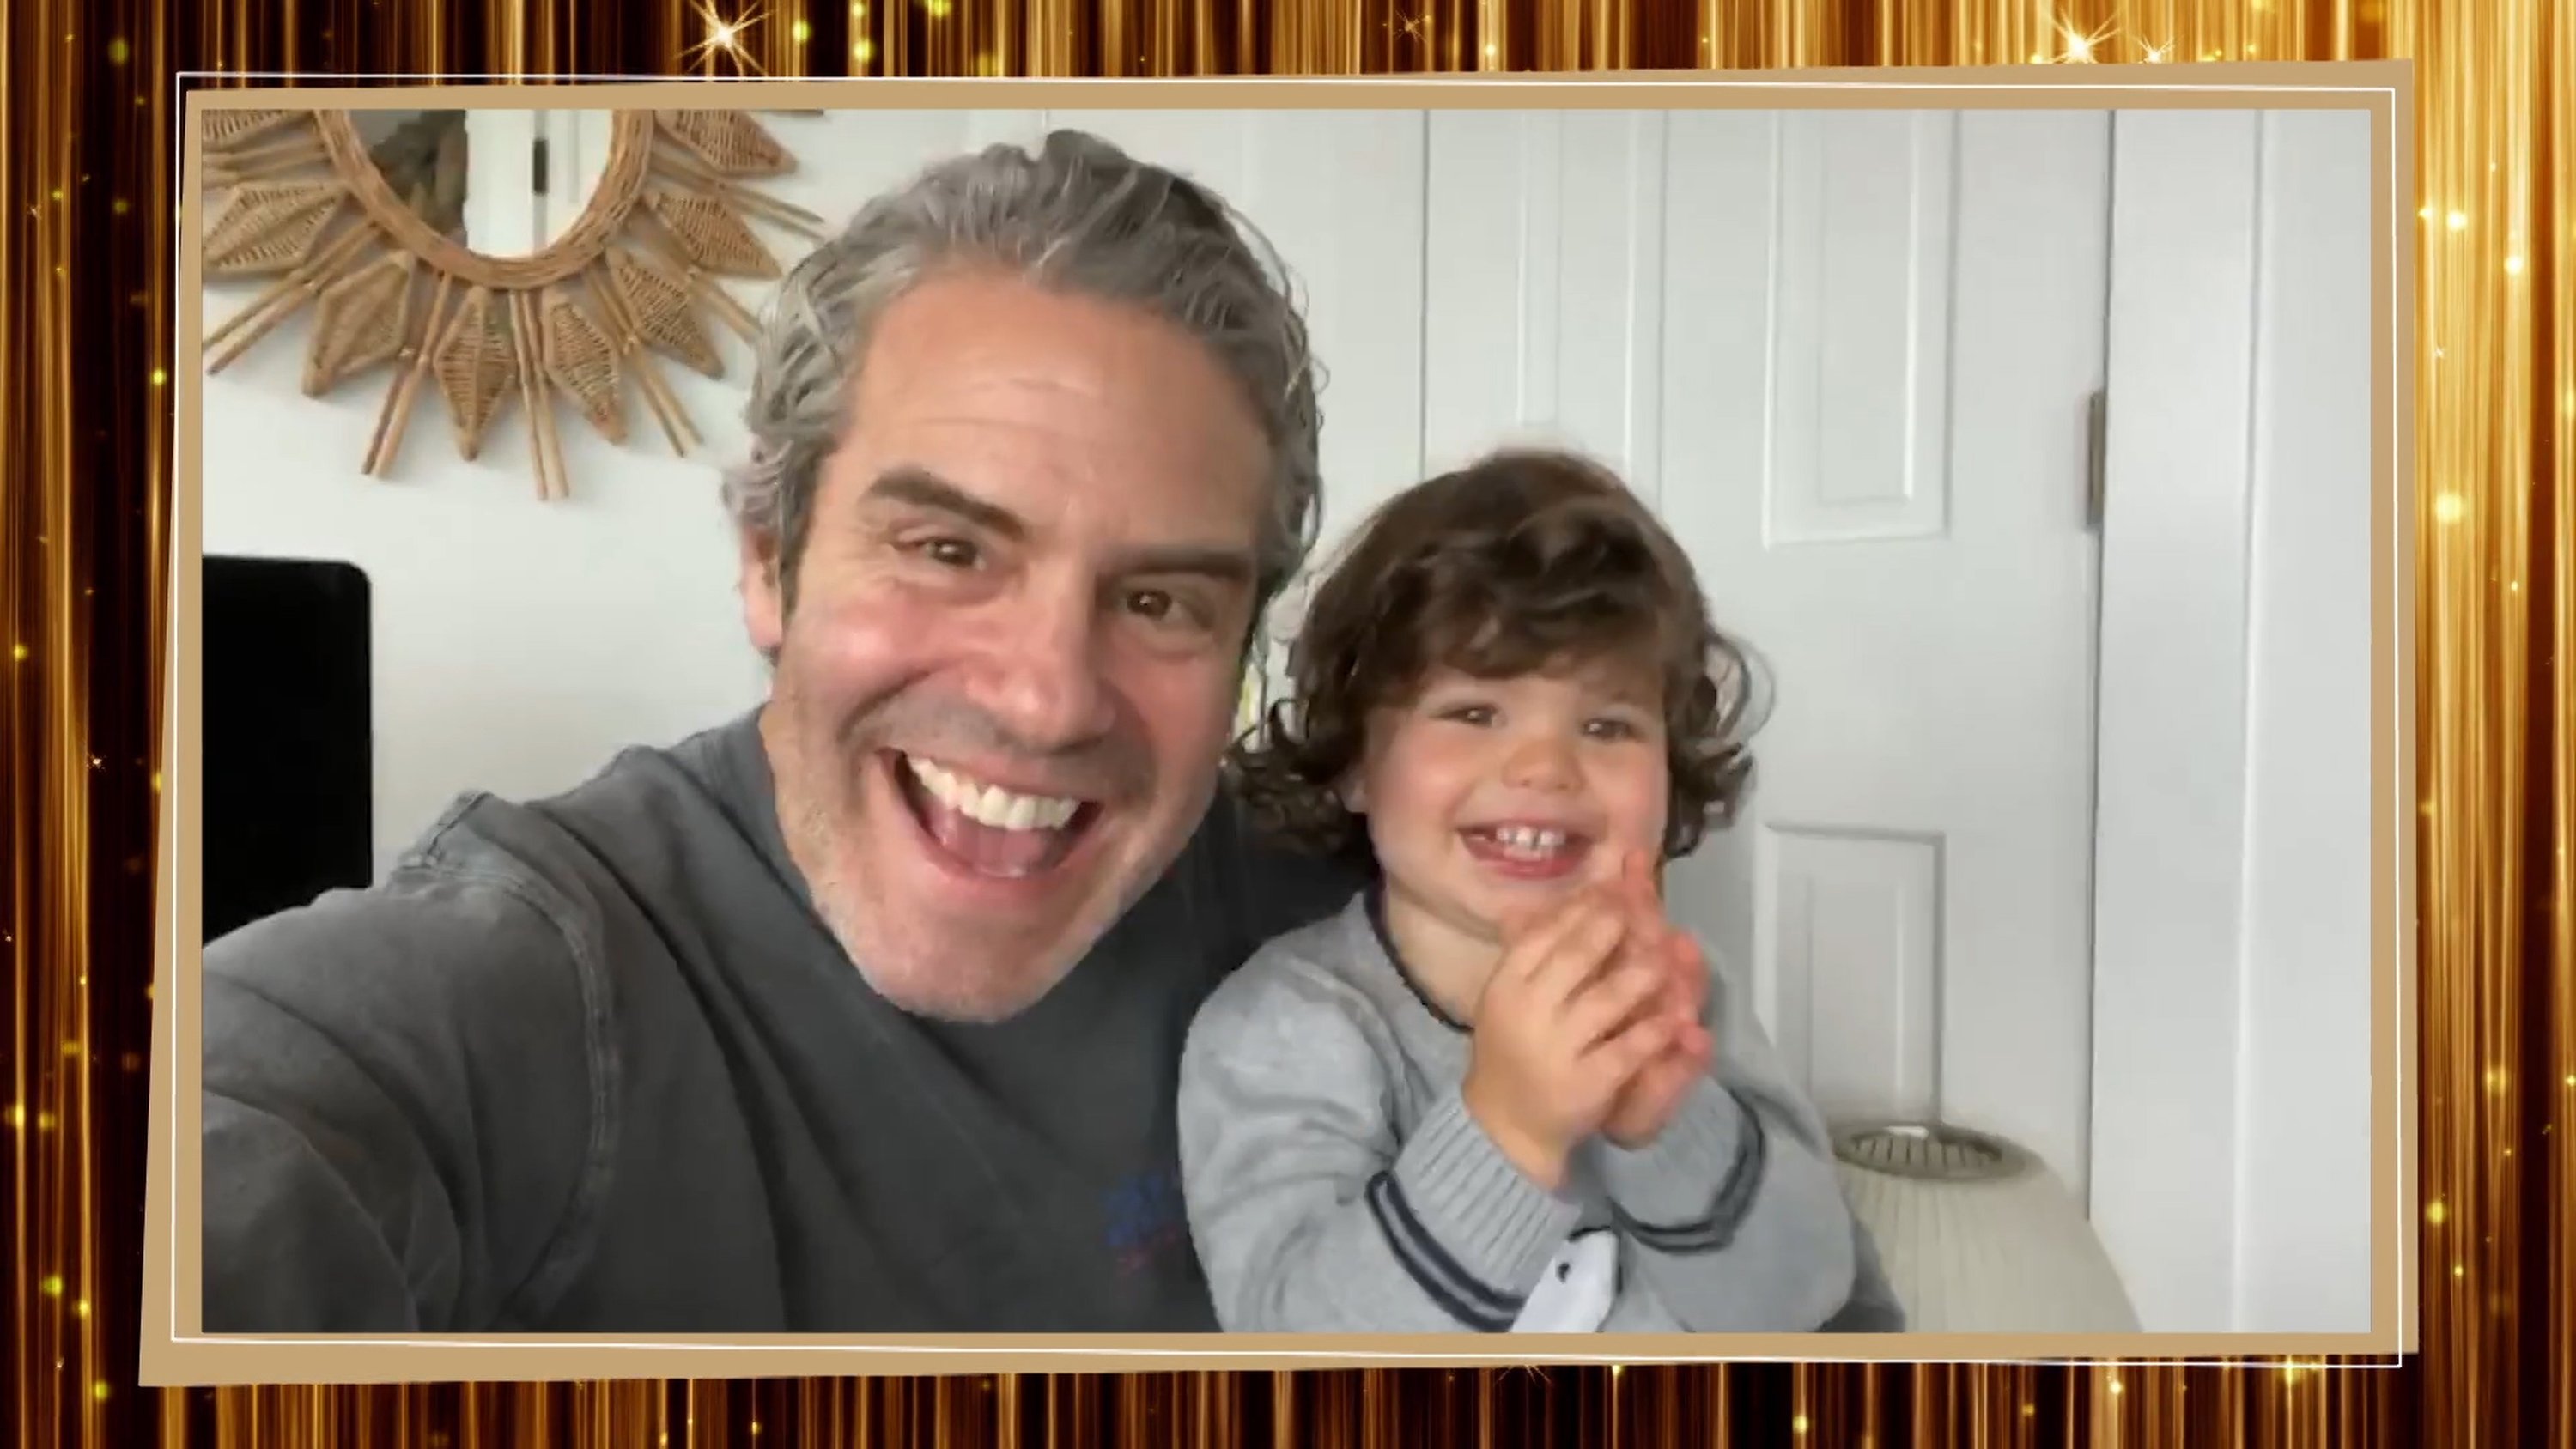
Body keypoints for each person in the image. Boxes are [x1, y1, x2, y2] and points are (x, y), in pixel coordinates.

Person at [197, 130, 1374, 1333]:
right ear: (770, 559)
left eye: (1158, 602)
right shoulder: (540, 983)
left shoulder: (1346, 931)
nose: (1047, 699)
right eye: (948, 550)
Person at [1177, 449, 1905, 1333]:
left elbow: (1803, 1299)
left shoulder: (1679, 993)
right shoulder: (1283, 1027)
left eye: (1606, 724)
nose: (1545, 767)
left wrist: (1673, 1128)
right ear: (1356, 762)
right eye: (1474, 712)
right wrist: (1508, 1132)